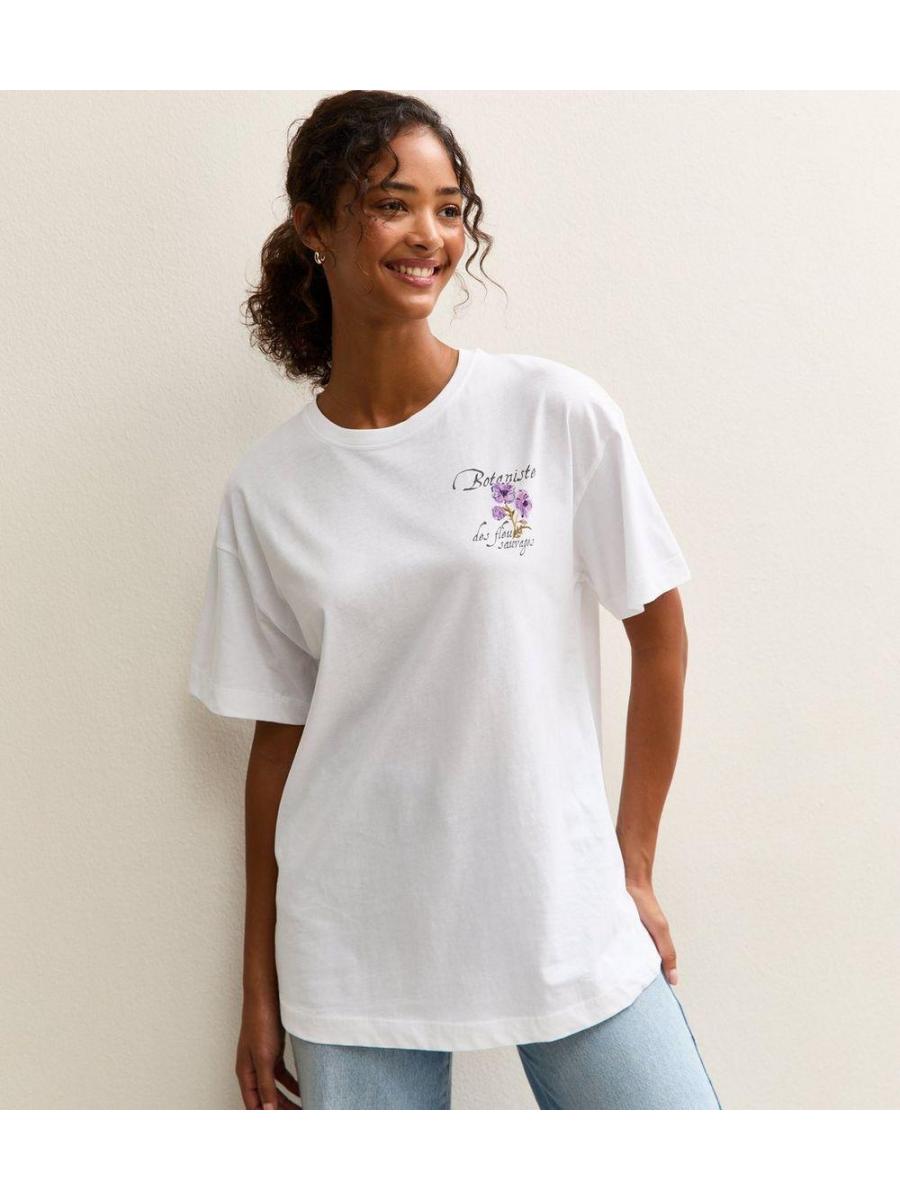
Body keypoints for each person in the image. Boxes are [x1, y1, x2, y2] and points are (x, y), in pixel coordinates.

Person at [188, 89, 722, 1111]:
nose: (430, 236)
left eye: (449, 207)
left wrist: (634, 863)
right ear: (314, 226)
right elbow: (277, 746)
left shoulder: (551, 413)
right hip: (355, 953)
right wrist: (258, 985)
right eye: (392, 205)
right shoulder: (270, 487)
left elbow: (660, 639)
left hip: (563, 914)